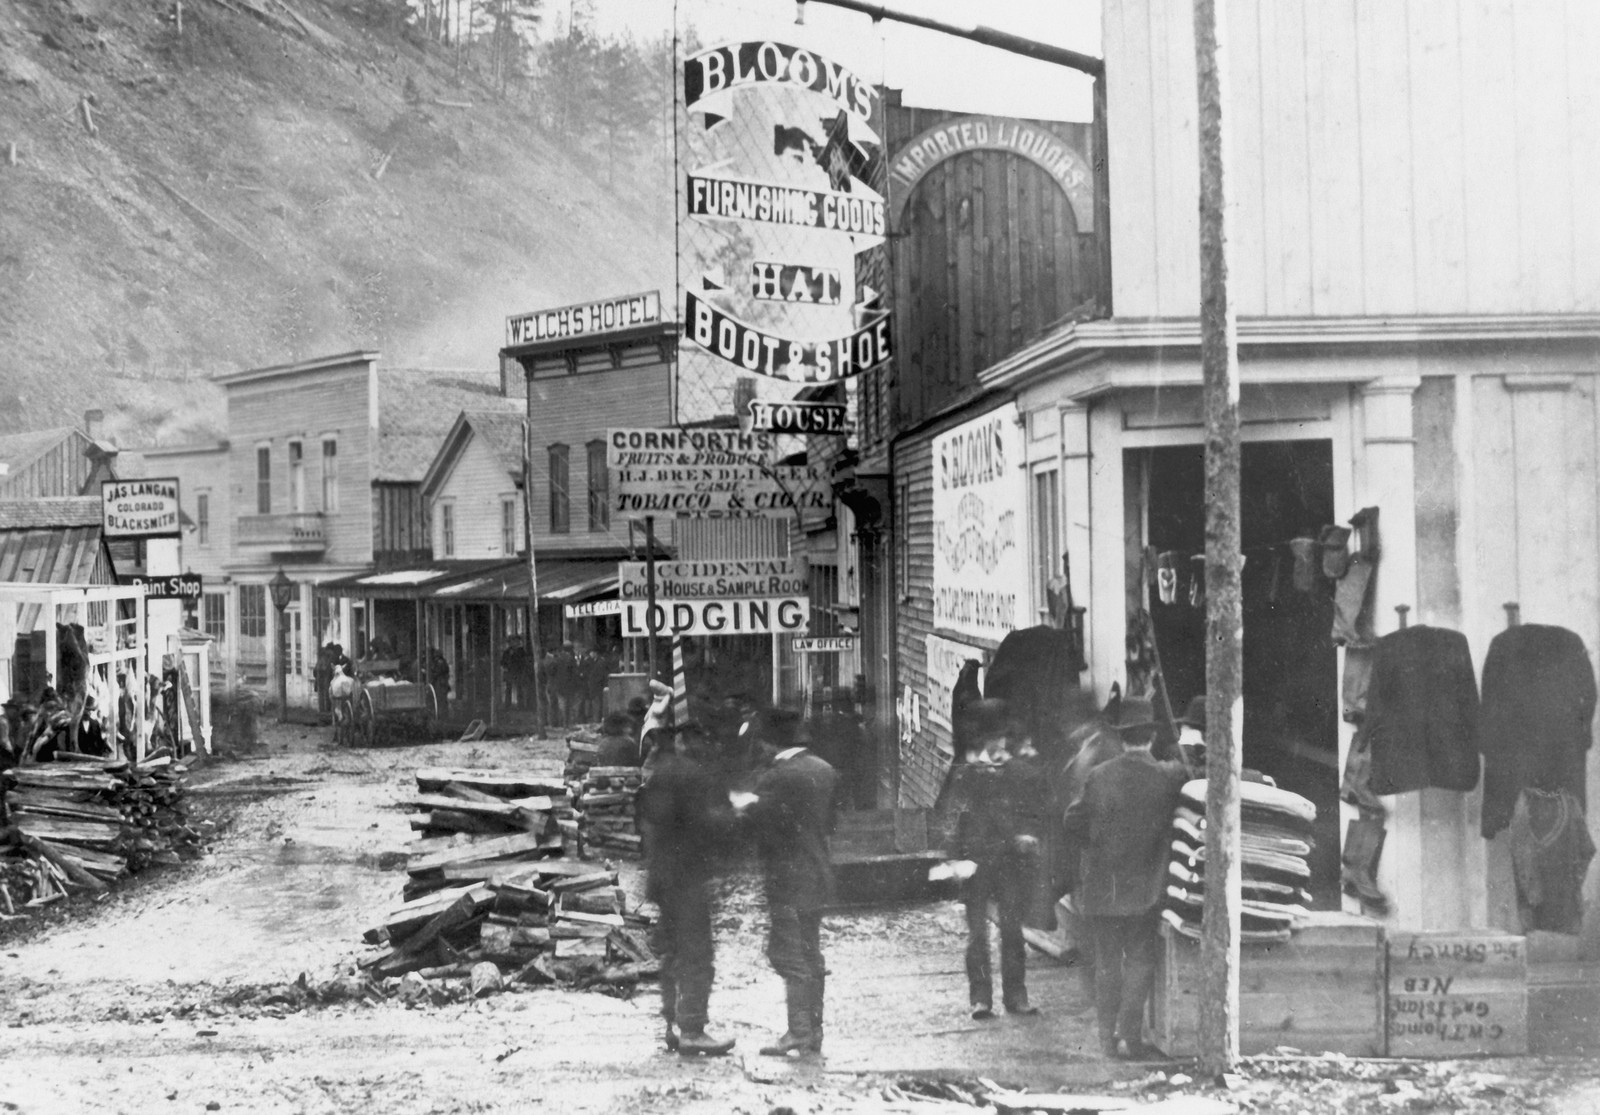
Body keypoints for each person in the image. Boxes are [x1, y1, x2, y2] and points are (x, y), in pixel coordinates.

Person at [1061, 695, 1190, 1060]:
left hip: (1103, 888)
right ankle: (1130, 1037)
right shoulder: (1167, 777)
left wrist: (1098, 842)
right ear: (1152, 737)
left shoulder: (1099, 776)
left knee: (1107, 964)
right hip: (1145, 889)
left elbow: (1072, 821)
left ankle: (1106, 1039)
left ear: (1120, 737)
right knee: (1140, 961)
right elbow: (1187, 771)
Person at [941, 698, 1051, 1019]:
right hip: (975, 864)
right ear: (981, 740)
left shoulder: (1023, 773)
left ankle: (1016, 996)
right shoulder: (966, 774)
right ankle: (980, 998)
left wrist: (1029, 834)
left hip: (1011, 863)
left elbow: (1037, 813)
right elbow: (952, 819)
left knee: (1012, 931)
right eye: (991, 738)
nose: (997, 744)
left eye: (1001, 737)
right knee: (977, 935)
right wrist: (953, 859)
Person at [734, 727, 839, 1057]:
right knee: (810, 952)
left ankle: (798, 1031)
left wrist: (743, 807)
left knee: (787, 954)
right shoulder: (824, 769)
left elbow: (759, 826)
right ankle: (814, 1030)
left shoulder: (777, 776)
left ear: (770, 742)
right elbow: (831, 823)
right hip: (817, 872)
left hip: (787, 878)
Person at [636, 721, 736, 1057]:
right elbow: (706, 824)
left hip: (663, 878)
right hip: (688, 878)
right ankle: (692, 1029)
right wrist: (733, 815)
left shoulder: (659, 774)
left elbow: (649, 820)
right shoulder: (695, 775)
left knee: (671, 952)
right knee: (696, 953)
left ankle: (671, 1025)